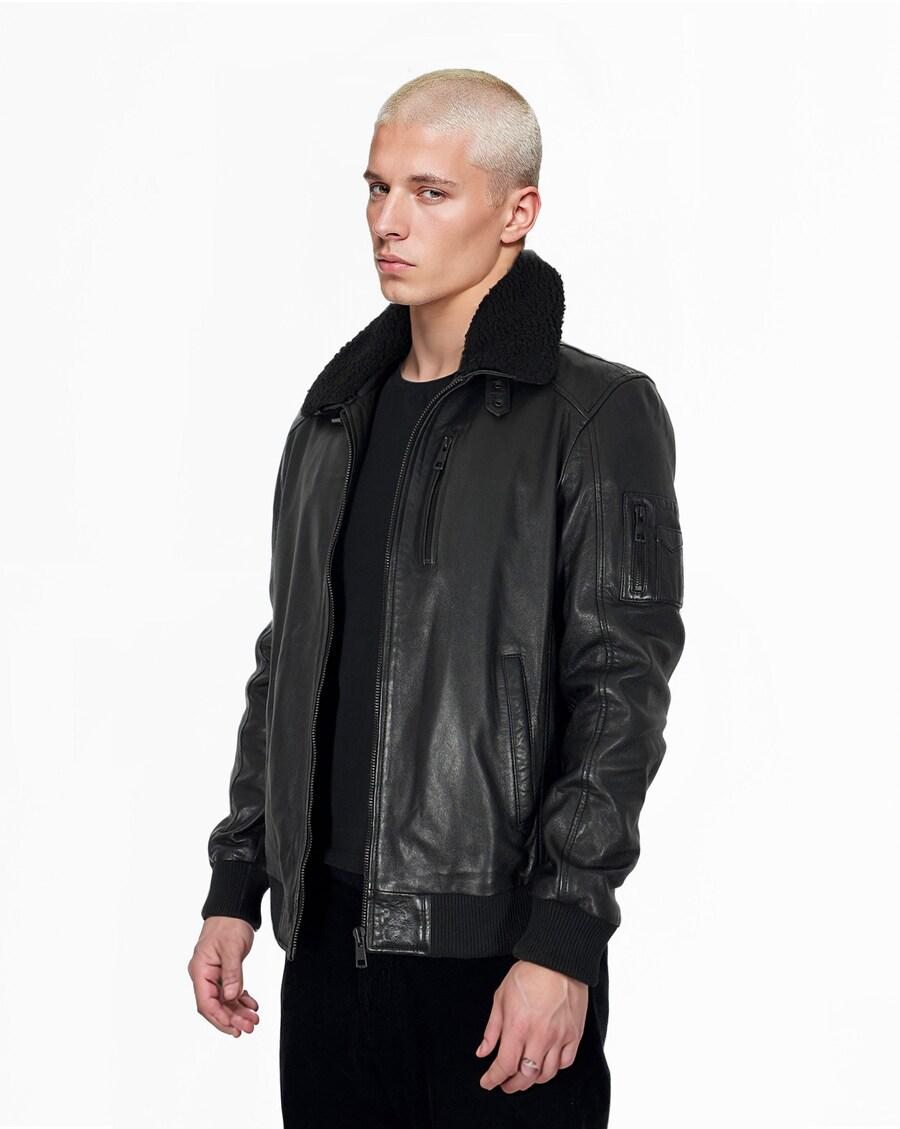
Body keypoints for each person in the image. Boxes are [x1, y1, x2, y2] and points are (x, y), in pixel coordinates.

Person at [187, 68, 686, 1129]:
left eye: (429, 191)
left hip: (497, 956)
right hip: (328, 952)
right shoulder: (333, 418)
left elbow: (620, 694)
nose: (388, 221)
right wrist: (239, 881)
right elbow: (288, 662)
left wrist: (564, 936)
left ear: (517, 211)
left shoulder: (595, 414)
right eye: (377, 188)